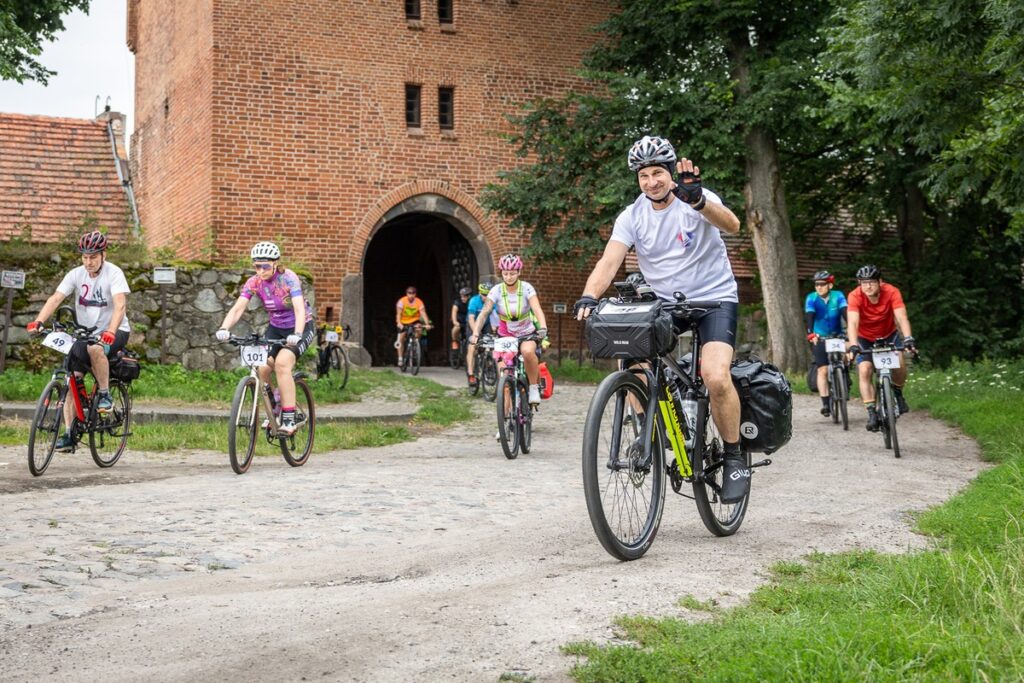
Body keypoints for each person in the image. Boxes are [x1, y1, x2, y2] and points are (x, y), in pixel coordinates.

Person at [572, 135, 749, 503]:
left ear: (670, 173)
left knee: (715, 376)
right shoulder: (632, 216)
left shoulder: (695, 197)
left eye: (657, 173)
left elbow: (733, 225)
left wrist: (699, 201)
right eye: (643, 176)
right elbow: (610, 260)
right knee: (630, 355)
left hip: (715, 299)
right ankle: (649, 426)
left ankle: (734, 457)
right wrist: (590, 294)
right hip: (665, 304)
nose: (651, 182)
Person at [26, 230, 132, 451]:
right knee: (72, 379)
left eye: (93, 257)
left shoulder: (114, 273)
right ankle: (68, 434)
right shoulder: (75, 274)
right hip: (84, 332)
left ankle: (104, 395)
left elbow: (120, 305)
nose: (88, 262)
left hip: (115, 330)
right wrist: (38, 321)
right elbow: (56, 298)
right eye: (84, 257)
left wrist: (111, 331)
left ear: (103, 255)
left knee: (95, 349)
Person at [215, 241, 315, 436]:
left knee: (282, 364)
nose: (261, 270)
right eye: (257, 266)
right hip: (276, 328)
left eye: (265, 266)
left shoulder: (288, 278)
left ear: (275, 263)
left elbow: (299, 309)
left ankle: (289, 417)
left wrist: (297, 334)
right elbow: (238, 308)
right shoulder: (254, 282)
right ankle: (275, 404)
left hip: (300, 327)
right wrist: (224, 328)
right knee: (262, 368)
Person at [469, 255, 548, 405]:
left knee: (527, 352)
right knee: (504, 379)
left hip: (526, 332)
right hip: (505, 334)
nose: (509, 277)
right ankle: (505, 418)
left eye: (512, 273)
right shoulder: (496, 290)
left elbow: (537, 309)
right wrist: (475, 333)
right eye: (505, 273)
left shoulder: (527, 288)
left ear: (519, 272)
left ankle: (533, 387)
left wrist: (543, 328)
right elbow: (484, 312)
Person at [846, 264, 916, 431]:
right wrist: (853, 345)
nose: (868, 286)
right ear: (859, 283)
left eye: (871, 282)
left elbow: (902, 317)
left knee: (900, 364)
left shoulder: (892, 292)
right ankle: (871, 412)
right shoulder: (855, 296)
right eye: (864, 283)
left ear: (880, 282)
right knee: (865, 369)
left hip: (889, 335)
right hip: (864, 338)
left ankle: (898, 394)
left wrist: (908, 338)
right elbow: (853, 323)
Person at [804, 270, 848, 417]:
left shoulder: (838, 296)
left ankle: (844, 379)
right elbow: (810, 317)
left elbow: (846, 313)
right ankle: (825, 404)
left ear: (830, 285)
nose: (819, 287)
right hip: (820, 337)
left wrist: (850, 332)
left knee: (846, 358)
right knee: (822, 370)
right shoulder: (811, 298)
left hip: (838, 336)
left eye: (822, 284)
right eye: (817, 284)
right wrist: (811, 333)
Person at [465, 281, 495, 388]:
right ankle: (471, 374)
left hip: (486, 325)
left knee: (492, 345)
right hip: (473, 325)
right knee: (472, 346)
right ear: (479, 293)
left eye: (488, 295)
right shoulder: (474, 301)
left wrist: (496, 329)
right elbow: (471, 318)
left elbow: (497, 317)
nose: (485, 297)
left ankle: (489, 365)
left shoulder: (493, 302)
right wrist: (476, 333)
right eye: (483, 294)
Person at [395, 286, 432, 366]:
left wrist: (427, 324)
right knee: (401, 338)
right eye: (409, 293)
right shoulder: (401, 301)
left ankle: (416, 343)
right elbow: (398, 314)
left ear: (415, 294)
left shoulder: (419, 302)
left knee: (419, 328)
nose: (411, 295)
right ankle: (400, 358)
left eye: (413, 293)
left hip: (415, 320)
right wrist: (399, 323)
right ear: (406, 293)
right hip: (404, 321)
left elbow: (423, 313)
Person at [450, 286, 471, 360]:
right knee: (456, 327)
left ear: (468, 296)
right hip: (459, 321)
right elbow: (454, 312)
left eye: (464, 296)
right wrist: (455, 321)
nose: (462, 298)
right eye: (461, 296)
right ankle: (454, 341)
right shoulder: (457, 302)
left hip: (468, 322)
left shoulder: (471, 302)